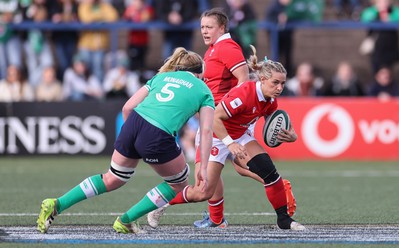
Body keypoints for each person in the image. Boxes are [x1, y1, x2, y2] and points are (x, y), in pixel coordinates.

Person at [36, 47, 215, 234]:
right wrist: (202, 167)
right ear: (200, 73)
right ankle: (126, 220)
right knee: (179, 182)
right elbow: (207, 131)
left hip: (134, 123)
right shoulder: (204, 90)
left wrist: (135, 138)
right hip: (157, 133)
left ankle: (57, 204)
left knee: (112, 178)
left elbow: (127, 108)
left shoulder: (161, 77)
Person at [148, 8, 298, 229]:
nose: (204, 31)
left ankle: (278, 201)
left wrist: (233, 106)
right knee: (205, 189)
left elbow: (243, 79)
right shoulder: (214, 50)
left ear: (222, 28)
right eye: (202, 27)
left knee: (257, 168)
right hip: (219, 126)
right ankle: (170, 206)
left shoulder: (227, 47)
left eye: (209, 27)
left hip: (223, 122)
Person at [77, 0, 119, 81]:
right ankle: (86, 90)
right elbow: (86, 19)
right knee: (85, 69)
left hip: (100, 45)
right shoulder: (84, 6)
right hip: (86, 44)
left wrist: (96, 19)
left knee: (98, 69)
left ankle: (98, 91)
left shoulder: (104, 5)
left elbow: (113, 17)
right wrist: (102, 19)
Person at [360, 0, 399, 74]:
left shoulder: (394, 11)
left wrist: (390, 19)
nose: (384, 3)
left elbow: (398, 16)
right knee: (376, 71)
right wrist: (377, 13)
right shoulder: (371, 11)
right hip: (376, 49)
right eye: (381, 1)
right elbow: (365, 19)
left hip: (390, 47)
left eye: (386, 1)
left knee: (389, 72)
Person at [123, 0, 154, 74]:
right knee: (133, 63)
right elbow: (125, 17)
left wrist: (140, 11)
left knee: (142, 63)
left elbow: (146, 18)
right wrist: (133, 12)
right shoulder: (130, 9)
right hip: (133, 41)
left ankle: (140, 79)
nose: (136, 3)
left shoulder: (147, 9)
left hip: (143, 41)